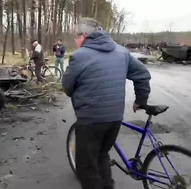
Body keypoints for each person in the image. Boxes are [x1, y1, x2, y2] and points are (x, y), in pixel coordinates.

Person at [62, 17, 151, 189]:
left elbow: (67, 87)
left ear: (85, 35)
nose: (75, 41)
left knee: (86, 167)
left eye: (76, 36)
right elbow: (142, 74)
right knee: (102, 155)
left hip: (90, 120)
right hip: (115, 119)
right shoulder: (122, 52)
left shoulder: (79, 56)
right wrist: (141, 99)